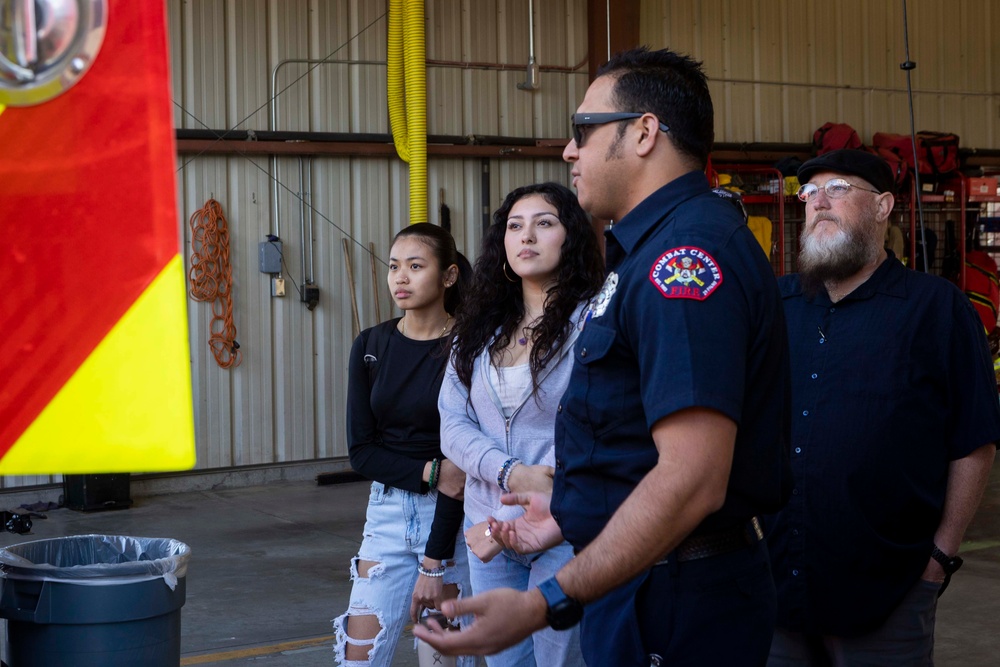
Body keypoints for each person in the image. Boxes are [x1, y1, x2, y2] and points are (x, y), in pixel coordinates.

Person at [414, 46, 792, 666]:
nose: (570, 151)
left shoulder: (684, 260)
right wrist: (568, 509)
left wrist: (545, 603)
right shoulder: (648, 253)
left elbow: (691, 476)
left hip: (676, 591)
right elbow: (634, 446)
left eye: (583, 130)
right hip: (645, 572)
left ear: (644, 133)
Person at [765, 149, 1000, 666]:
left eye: (839, 189)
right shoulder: (775, 306)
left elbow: (974, 442)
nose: (819, 202)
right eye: (810, 193)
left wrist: (938, 559)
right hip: (780, 587)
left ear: (883, 206)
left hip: (889, 593)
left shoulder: (938, 309)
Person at [439, 182, 604, 666]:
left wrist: (534, 494)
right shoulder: (475, 331)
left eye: (544, 223)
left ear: (569, 237)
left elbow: (600, 423)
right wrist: (511, 473)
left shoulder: (595, 321)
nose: (526, 235)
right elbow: (452, 425)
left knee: (562, 660)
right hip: (487, 531)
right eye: (515, 226)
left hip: (564, 528)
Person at [333, 223, 475, 667]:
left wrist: (435, 561)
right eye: (394, 266)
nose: (401, 277)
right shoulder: (371, 345)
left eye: (416, 266)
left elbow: (462, 471)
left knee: (445, 660)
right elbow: (361, 452)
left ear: (448, 276)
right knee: (360, 658)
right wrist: (430, 471)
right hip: (386, 515)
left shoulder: (469, 348)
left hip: (451, 521)